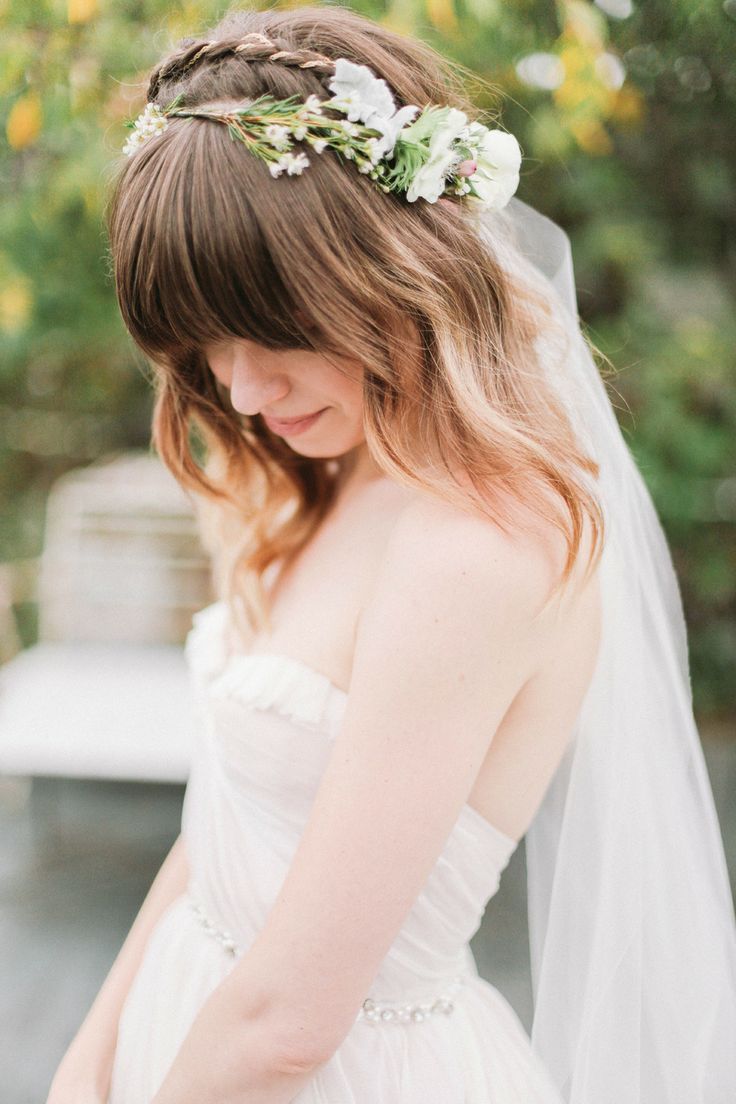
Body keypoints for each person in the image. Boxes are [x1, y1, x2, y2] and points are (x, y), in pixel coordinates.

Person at [47, 6, 736, 1104]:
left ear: (392, 267)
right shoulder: (326, 466)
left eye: (274, 329)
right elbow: (224, 828)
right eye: (206, 342)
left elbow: (291, 1025)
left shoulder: (479, 547)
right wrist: (89, 1058)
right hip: (192, 1029)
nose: (241, 391)